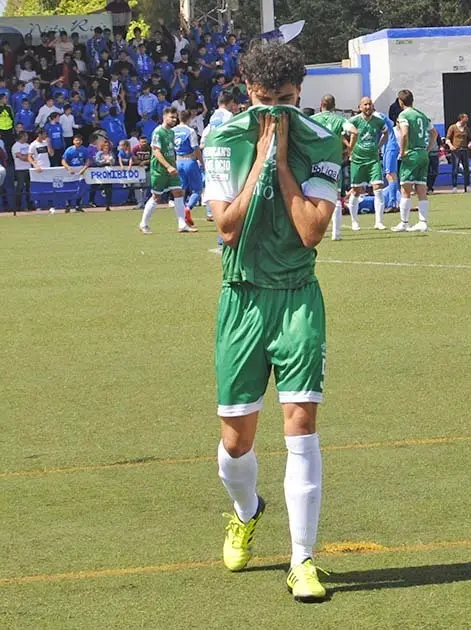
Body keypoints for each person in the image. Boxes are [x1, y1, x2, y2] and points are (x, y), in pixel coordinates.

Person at [200, 41, 340, 604]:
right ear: (247, 94)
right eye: (264, 101)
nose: (275, 112)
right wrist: (261, 157)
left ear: (299, 92)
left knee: (301, 427)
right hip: (241, 299)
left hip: (298, 299)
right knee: (236, 444)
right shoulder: (222, 140)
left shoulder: (324, 139)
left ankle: (303, 559)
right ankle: (246, 509)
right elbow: (227, 228)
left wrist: (283, 162)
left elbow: (310, 230)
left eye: (285, 100)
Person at [139, 107, 188, 233]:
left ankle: (182, 224)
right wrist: (168, 166)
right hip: (159, 169)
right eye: (172, 117)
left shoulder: (171, 132)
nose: (174, 120)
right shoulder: (158, 132)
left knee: (178, 192)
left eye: (175, 117)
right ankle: (143, 224)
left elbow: (171, 151)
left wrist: (174, 165)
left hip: (171, 168)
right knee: (157, 197)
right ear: (164, 117)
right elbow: (156, 151)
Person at [345, 96, 389, 230]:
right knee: (356, 191)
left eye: (370, 104)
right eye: (365, 105)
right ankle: (354, 222)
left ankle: (379, 222)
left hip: (373, 160)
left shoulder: (378, 121)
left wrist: (379, 146)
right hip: (358, 161)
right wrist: (349, 149)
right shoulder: (353, 121)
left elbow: (386, 133)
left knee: (378, 189)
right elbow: (343, 135)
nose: (368, 107)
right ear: (360, 107)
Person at [310, 94, 350, 240]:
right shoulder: (339, 119)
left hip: (315, 161)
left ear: (321, 104)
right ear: (334, 105)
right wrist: (349, 149)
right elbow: (353, 131)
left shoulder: (313, 120)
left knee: (311, 194)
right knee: (336, 196)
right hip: (333, 161)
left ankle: (313, 229)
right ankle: (336, 233)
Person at [395, 89, 435, 232]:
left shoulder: (404, 115)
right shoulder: (421, 115)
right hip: (423, 153)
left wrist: (402, 151)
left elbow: (404, 133)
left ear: (400, 101)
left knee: (405, 189)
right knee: (421, 188)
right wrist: (428, 148)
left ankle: (404, 223)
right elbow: (434, 133)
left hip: (411, 154)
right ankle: (423, 222)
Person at [61, 134, 92, 213]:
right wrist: (68, 168)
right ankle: (68, 205)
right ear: (73, 141)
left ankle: (78, 205)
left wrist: (83, 169)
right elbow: (63, 161)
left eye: (79, 140)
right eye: (76, 140)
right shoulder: (69, 150)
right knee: (71, 188)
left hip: (81, 170)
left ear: (81, 141)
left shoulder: (84, 150)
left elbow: (88, 160)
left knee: (81, 188)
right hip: (71, 171)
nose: (77, 142)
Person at [444, 113, 471, 193]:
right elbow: (447, 138)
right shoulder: (453, 127)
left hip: (465, 150)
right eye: (466, 118)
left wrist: (470, 143)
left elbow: (470, 139)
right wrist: (450, 146)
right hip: (456, 150)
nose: (467, 119)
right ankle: (455, 186)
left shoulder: (467, 129)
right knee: (455, 168)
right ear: (461, 119)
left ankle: (467, 186)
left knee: (466, 168)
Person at [11, 131, 35, 214]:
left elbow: (31, 156)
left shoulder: (28, 145)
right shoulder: (16, 146)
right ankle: (18, 206)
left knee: (29, 188)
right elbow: (20, 156)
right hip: (19, 169)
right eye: (26, 136)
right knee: (20, 187)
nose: (27, 137)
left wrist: (28, 157)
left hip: (28, 168)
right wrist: (28, 157)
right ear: (22, 136)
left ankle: (29, 205)